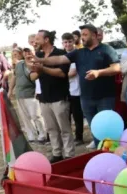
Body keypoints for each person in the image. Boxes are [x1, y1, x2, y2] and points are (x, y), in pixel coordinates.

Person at [32, 24, 121, 146]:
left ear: (94, 35)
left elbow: (117, 68)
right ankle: (101, 153)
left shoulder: (106, 49)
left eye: (85, 35)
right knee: (94, 128)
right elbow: (59, 59)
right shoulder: (78, 53)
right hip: (86, 98)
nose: (82, 38)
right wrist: (40, 60)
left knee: (106, 128)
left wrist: (99, 72)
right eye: (81, 35)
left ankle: (113, 154)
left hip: (105, 97)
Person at [29, 30, 74, 162]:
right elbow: (32, 76)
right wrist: (37, 70)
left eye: (38, 39)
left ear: (47, 39)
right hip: (44, 98)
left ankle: (69, 154)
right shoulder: (38, 54)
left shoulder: (61, 53)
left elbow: (62, 73)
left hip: (60, 97)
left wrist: (43, 68)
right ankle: (57, 153)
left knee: (64, 128)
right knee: (51, 128)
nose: (35, 41)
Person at [9, 48, 46, 143]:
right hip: (20, 94)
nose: (27, 54)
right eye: (25, 52)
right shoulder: (18, 65)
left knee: (36, 115)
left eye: (29, 51)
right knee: (25, 117)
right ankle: (31, 135)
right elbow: (14, 77)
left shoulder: (36, 64)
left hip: (32, 94)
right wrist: (10, 91)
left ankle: (42, 135)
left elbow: (34, 78)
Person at [62, 34, 85, 145]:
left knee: (77, 116)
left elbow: (73, 72)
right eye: (65, 42)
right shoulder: (61, 56)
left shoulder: (77, 55)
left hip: (76, 90)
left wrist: (60, 75)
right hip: (64, 91)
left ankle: (79, 137)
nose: (67, 44)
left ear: (73, 42)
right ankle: (68, 138)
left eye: (69, 42)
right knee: (65, 117)